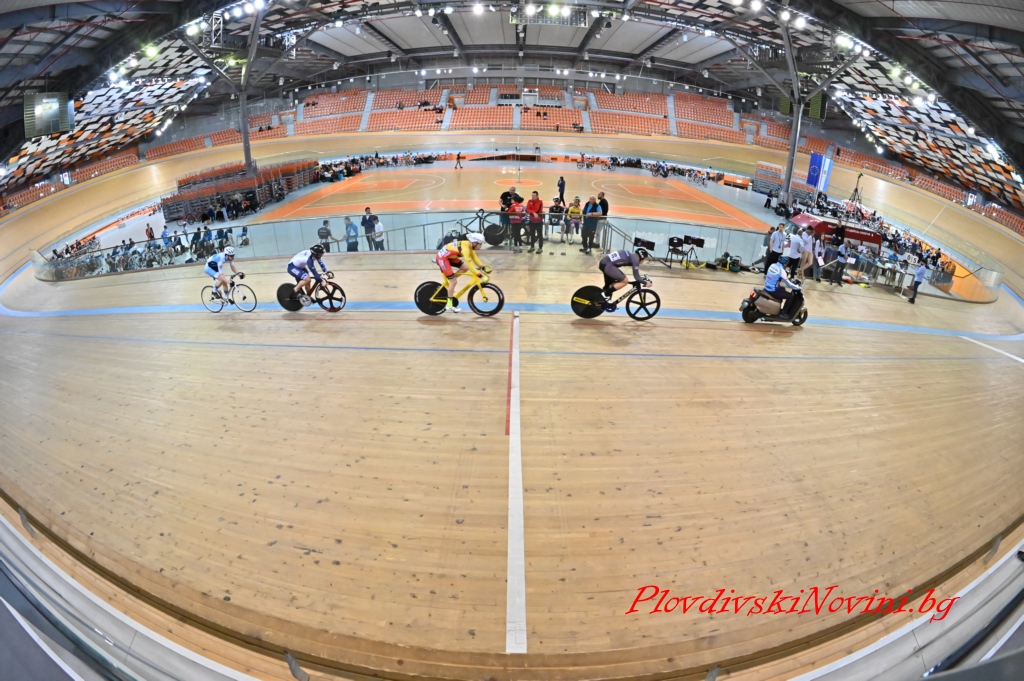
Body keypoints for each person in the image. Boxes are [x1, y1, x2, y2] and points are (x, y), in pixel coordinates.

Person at [434, 232, 492, 313]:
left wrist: (482, 267)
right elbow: (470, 265)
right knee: (454, 281)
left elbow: (474, 258)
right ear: (474, 243)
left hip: (449, 257)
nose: (481, 246)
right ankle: (449, 305)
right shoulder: (466, 249)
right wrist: (480, 276)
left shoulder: (469, 245)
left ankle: (450, 279)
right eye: (480, 244)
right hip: (442, 258)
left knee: (465, 268)